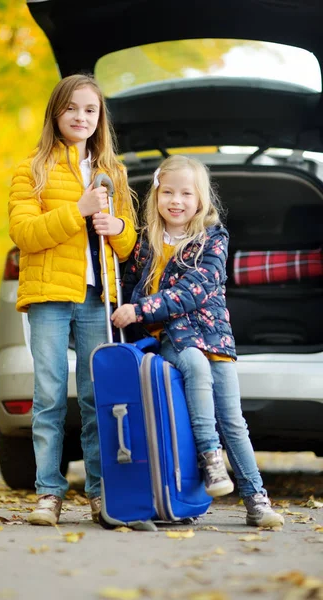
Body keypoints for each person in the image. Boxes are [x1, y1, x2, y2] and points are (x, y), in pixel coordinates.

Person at [111, 155, 284, 528]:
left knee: (234, 421)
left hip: (213, 339)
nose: (177, 201)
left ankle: (256, 498)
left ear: (200, 199)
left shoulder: (212, 239)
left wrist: (140, 310)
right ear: (156, 196)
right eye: (168, 192)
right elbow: (125, 282)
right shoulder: (146, 242)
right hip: (174, 338)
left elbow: (195, 289)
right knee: (192, 362)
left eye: (186, 193)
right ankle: (209, 456)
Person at [8, 74, 137, 526]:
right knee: (47, 395)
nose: (81, 117)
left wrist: (118, 230)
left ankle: (102, 493)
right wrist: (77, 210)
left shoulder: (113, 172)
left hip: (96, 297)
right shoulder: (33, 169)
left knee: (96, 396)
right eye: (72, 108)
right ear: (56, 113)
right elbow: (24, 233)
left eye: (90, 110)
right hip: (48, 294)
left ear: (99, 118)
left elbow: (129, 243)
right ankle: (49, 492)